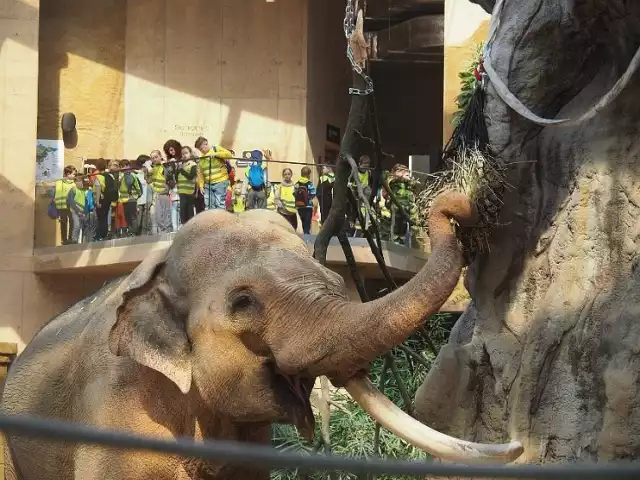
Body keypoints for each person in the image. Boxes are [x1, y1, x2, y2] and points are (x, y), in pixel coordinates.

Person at [195, 136, 233, 210]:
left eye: (202, 148)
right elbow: (200, 173)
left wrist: (217, 154)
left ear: (206, 144)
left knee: (220, 204)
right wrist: (201, 185)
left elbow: (229, 154)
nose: (202, 151)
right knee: (208, 204)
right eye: (200, 150)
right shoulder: (201, 158)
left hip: (220, 182)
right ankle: (211, 220)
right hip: (208, 184)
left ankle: (220, 220)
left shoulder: (216, 149)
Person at [147, 150, 173, 234]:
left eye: (156, 157)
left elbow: (170, 175)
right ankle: (163, 231)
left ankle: (167, 232)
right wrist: (148, 168)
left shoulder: (164, 166)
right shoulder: (153, 168)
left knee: (166, 215)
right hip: (157, 195)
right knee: (158, 217)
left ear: (160, 156)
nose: (154, 159)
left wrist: (166, 163)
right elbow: (148, 180)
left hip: (164, 194)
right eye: (152, 158)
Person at [52, 165, 78, 245]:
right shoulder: (59, 182)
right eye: (73, 174)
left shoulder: (73, 184)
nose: (74, 176)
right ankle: (64, 239)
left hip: (70, 206)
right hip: (61, 206)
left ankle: (70, 238)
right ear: (68, 174)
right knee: (63, 222)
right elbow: (54, 189)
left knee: (72, 222)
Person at [176, 146, 198, 225]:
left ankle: (190, 226)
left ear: (190, 154)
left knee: (189, 210)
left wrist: (182, 170)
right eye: (182, 154)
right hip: (181, 191)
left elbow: (191, 176)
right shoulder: (181, 165)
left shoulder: (193, 165)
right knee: (182, 210)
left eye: (186, 153)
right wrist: (177, 169)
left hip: (189, 191)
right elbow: (177, 178)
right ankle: (183, 225)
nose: (184, 155)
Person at [294, 166, 316, 235]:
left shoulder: (297, 183)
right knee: (307, 222)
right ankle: (307, 234)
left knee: (302, 221)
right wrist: (308, 198)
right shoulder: (309, 183)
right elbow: (313, 193)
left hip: (299, 206)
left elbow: (294, 193)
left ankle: (304, 234)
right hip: (308, 206)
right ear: (308, 175)